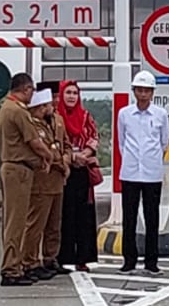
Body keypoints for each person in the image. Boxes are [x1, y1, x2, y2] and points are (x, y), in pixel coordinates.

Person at [0, 73, 53, 287]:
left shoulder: (7, 108)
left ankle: (16, 265)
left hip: (17, 169)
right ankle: (11, 269)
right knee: (16, 222)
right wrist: (47, 156)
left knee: (17, 221)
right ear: (26, 89)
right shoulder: (17, 111)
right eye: (32, 90)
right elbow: (35, 142)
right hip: (18, 170)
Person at [116, 70, 168, 274]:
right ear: (134, 91)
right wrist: (132, 159)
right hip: (129, 173)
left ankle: (151, 261)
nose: (143, 94)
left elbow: (164, 143)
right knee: (128, 218)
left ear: (153, 92)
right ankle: (129, 260)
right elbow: (121, 142)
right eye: (140, 90)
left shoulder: (161, 114)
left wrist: (151, 159)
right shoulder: (124, 114)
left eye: (147, 90)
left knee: (152, 218)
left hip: (152, 173)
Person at [55, 81, 100, 272]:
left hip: (82, 172)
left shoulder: (85, 116)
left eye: (75, 93)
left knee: (83, 216)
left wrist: (85, 155)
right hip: (62, 171)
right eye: (68, 93)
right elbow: (52, 141)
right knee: (63, 215)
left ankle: (82, 259)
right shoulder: (55, 117)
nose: (72, 96)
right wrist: (70, 157)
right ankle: (60, 258)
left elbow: (95, 137)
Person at [23, 88, 66, 282]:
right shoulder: (33, 124)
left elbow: (65, 144)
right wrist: (60, 163)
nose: (52, 107)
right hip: (42, 180)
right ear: (40, 107)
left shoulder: (55, 122)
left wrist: (67, 160)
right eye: (48, 104)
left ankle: (50, 258)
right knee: (36, 225)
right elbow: (44, 150)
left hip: (57, 180)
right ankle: (30, 261)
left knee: (53, 225)